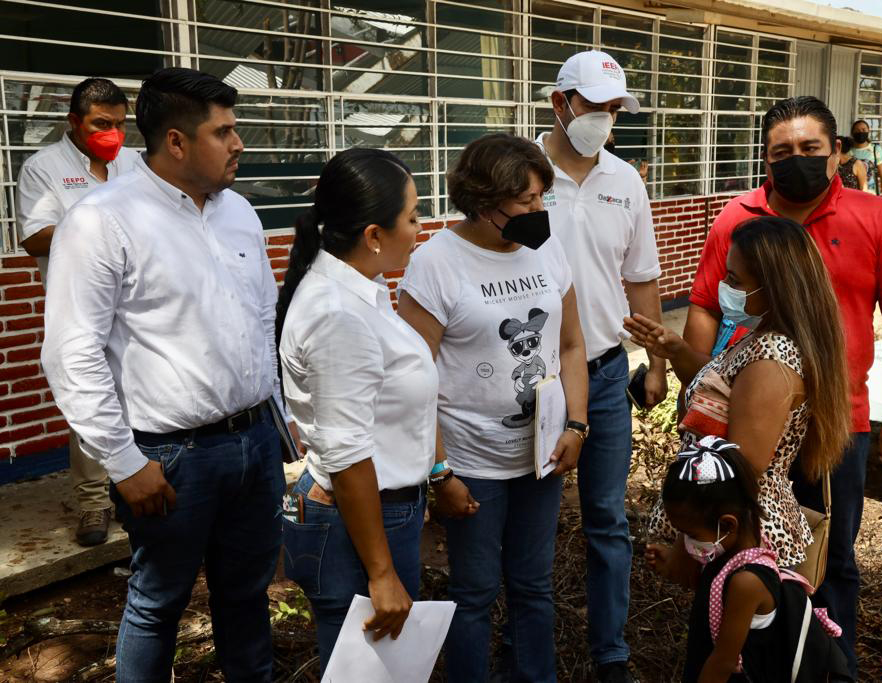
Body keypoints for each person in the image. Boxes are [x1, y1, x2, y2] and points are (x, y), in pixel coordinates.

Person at [40, 68, 286, 681]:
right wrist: (124, 463)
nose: (239, 144)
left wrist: (278, 420)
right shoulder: (102, 221)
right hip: (173, 459)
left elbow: (261, 318)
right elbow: (72, 352)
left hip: (254, 443)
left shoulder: (239, 215)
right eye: (224, 132)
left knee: (246, 594)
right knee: (158, 604)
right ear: (176, 142)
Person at [682, 96, 882, 679]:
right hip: (746, 420)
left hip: (837, 423)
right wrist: (696, 385)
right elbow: (705, 306)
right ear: (765, 159)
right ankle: (741, 653)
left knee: (826, 554)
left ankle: (828, 665)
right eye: (781, 152)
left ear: (837, 154)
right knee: (734, 547)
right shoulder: (737, 219)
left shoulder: (877, 217)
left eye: (811, 149)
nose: (797, 161)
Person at [398, 133, 589, 683]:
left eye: (541, 198)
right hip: (471, 463)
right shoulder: (436, 263)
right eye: (526, 201)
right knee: (474, 592)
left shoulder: (546, 248)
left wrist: (577, 422)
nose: (539, 211)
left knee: (534, 586)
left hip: (542, 455)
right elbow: (416, 379)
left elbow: (571, 343)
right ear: (485, 202)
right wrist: (440, 472)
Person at [276, 148, 435, 676]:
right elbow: (347, 453)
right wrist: (382, 572)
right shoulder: (337, 315)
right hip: (359, 524)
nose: (419, 227)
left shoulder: (361, 287)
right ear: (373, 234)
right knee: (366, 671)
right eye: (412, 217)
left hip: (383, 511)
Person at [536, 50, 669, 683]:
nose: (605, 120)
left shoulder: (626, 181)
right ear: (560, 103)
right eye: (594, 106)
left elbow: (641, 279)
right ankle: (527, 649)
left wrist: (656, 363)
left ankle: (610, 652)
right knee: (527, 523)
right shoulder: (521, 175)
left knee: (607, 521)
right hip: (530, 383)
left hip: (609, 372)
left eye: (614, 109)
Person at [626, 215, 851, 570]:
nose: (723, 286)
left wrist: (686, 557)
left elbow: (735, 474)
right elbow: (720, 395)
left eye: (734, 279)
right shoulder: (761, 338)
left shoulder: (772, 360)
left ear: (773, 287)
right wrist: (678, 352)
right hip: (729, 533)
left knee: (726, 625)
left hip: (739, 540)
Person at [15, 77, 140, 547]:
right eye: (101, 124)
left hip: (133, 302)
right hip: (80, 305)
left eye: (120, 124)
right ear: (74, 122)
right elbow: (33, 236)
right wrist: (99, 227)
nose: (113, 133)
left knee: (140, 396)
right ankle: (93, 502)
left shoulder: (134, 163)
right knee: (90, 398)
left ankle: (141, 488)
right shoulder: (44, 168)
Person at [649, 437, 851, 683]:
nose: (687, 542)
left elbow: (723, 661)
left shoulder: (747, 581)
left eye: (690, 534)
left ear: (727, 524)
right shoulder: (728, 553)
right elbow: (714, 595)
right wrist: (670, 566)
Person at [849, 120, 882, 198]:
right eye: (857, 130)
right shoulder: (847, 150)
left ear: (868, 131)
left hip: (871, 196)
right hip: (851, 196)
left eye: (863, 130)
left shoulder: (875, 149)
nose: (860, 132)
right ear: (852, 132)